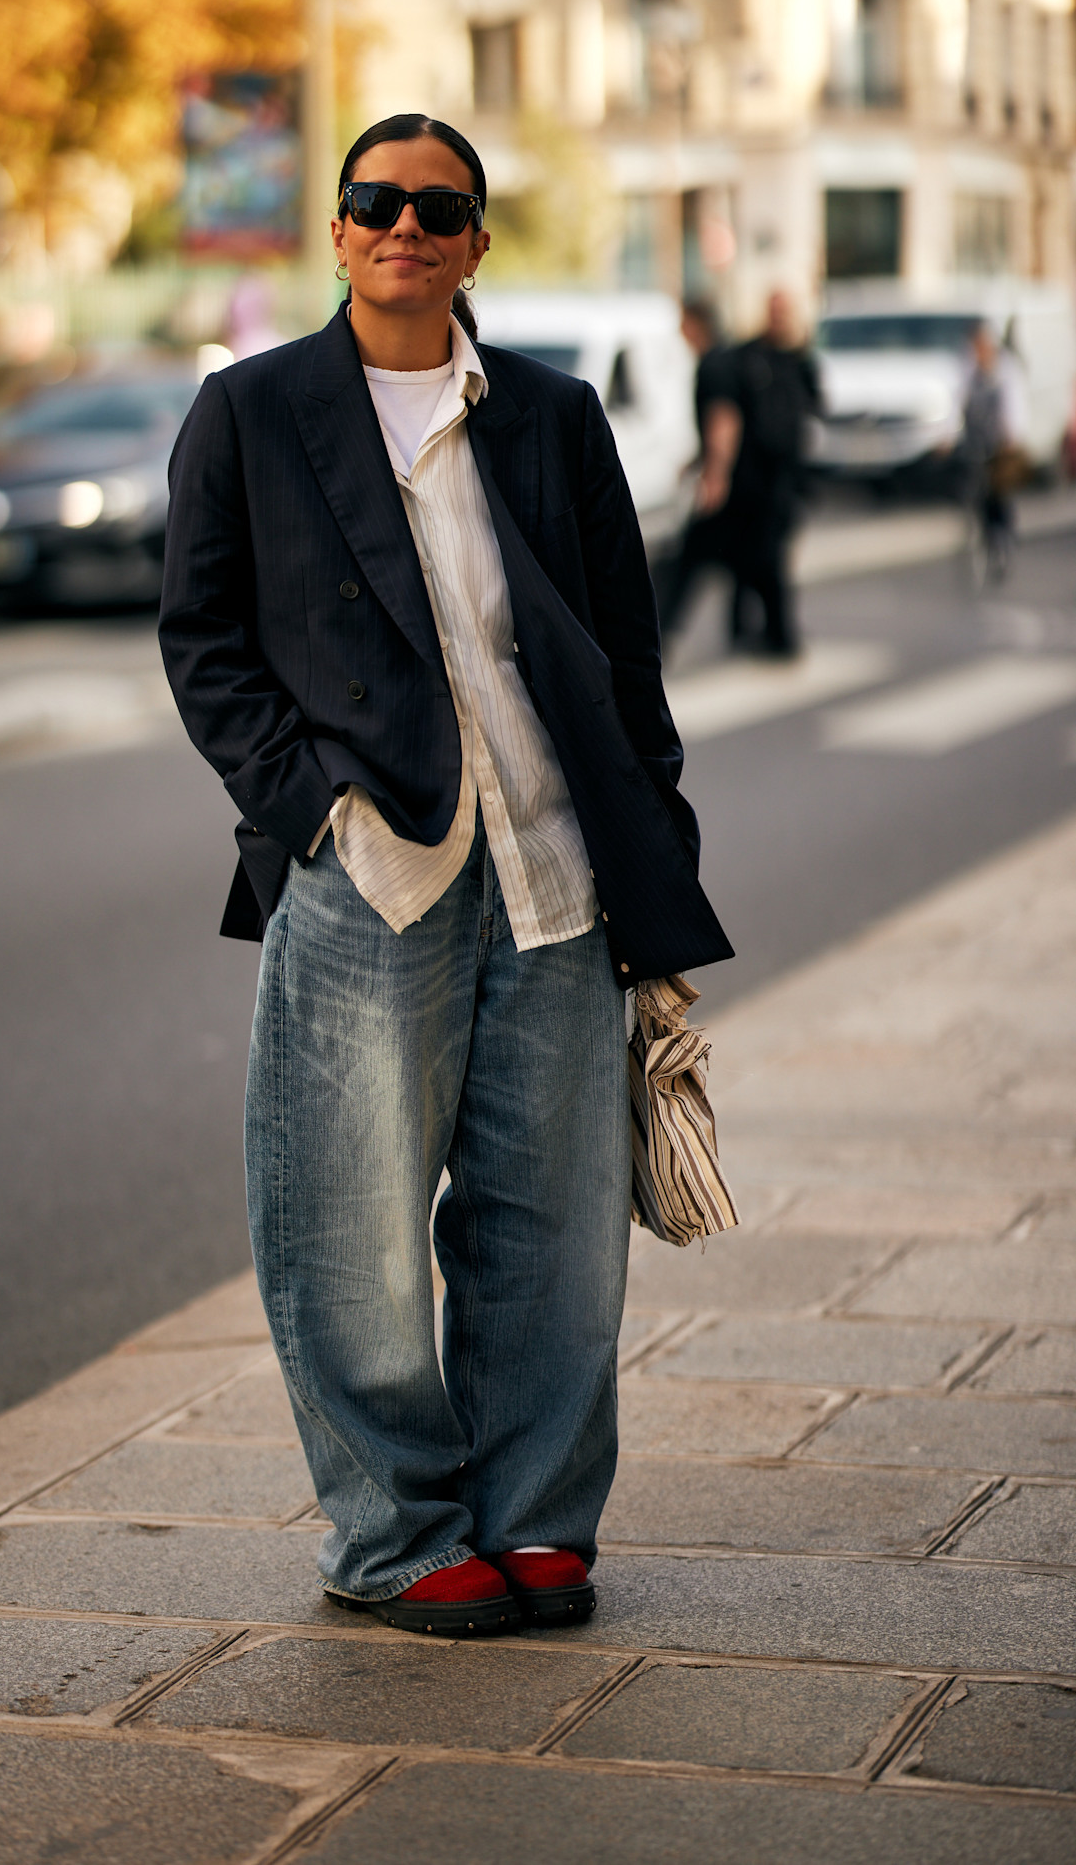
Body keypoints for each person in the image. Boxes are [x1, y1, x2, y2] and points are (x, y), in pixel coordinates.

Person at [159, 113, 732, 1639]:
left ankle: (536, 1515)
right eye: (373, 202)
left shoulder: (549, 415)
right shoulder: (251, 410)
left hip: (551, 858)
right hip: (375, 870)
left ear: (477, 242)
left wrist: (649, 845)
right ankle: (393, 1529)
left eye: (437, 206)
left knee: (550, 1219)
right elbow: (201, 642)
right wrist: (314, 813)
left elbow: (622, 650)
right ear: (337, 234)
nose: (403, 225)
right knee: (341, 1218)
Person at [726, 290, 820, 657]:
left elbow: (815, 408)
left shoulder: (799, 359)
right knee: (754, 557)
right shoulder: (749, 357)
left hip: (785, 479)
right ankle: (764, 631)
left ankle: (775, 632)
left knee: (772, 557)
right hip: (753, 476)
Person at [652, 297, 743, 640]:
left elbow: (724, 420)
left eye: (683, 321)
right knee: (744, 560)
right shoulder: (724, 358)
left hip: (729, 479)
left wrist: (715, 475)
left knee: (687, 558)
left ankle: (663, 627)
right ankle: (752, 632)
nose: (679, 330)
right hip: (739, 478)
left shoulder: (713, 365)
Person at [960, 322, 1023, 582]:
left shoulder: (1005, 372)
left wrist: (1011, 437)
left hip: (999, 444)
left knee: (1000, 495)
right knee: (978, 496)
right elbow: (958, 402)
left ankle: (1003, 539)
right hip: (976, 442)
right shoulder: (968, 372)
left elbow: (1015, 407)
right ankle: (985, 538)